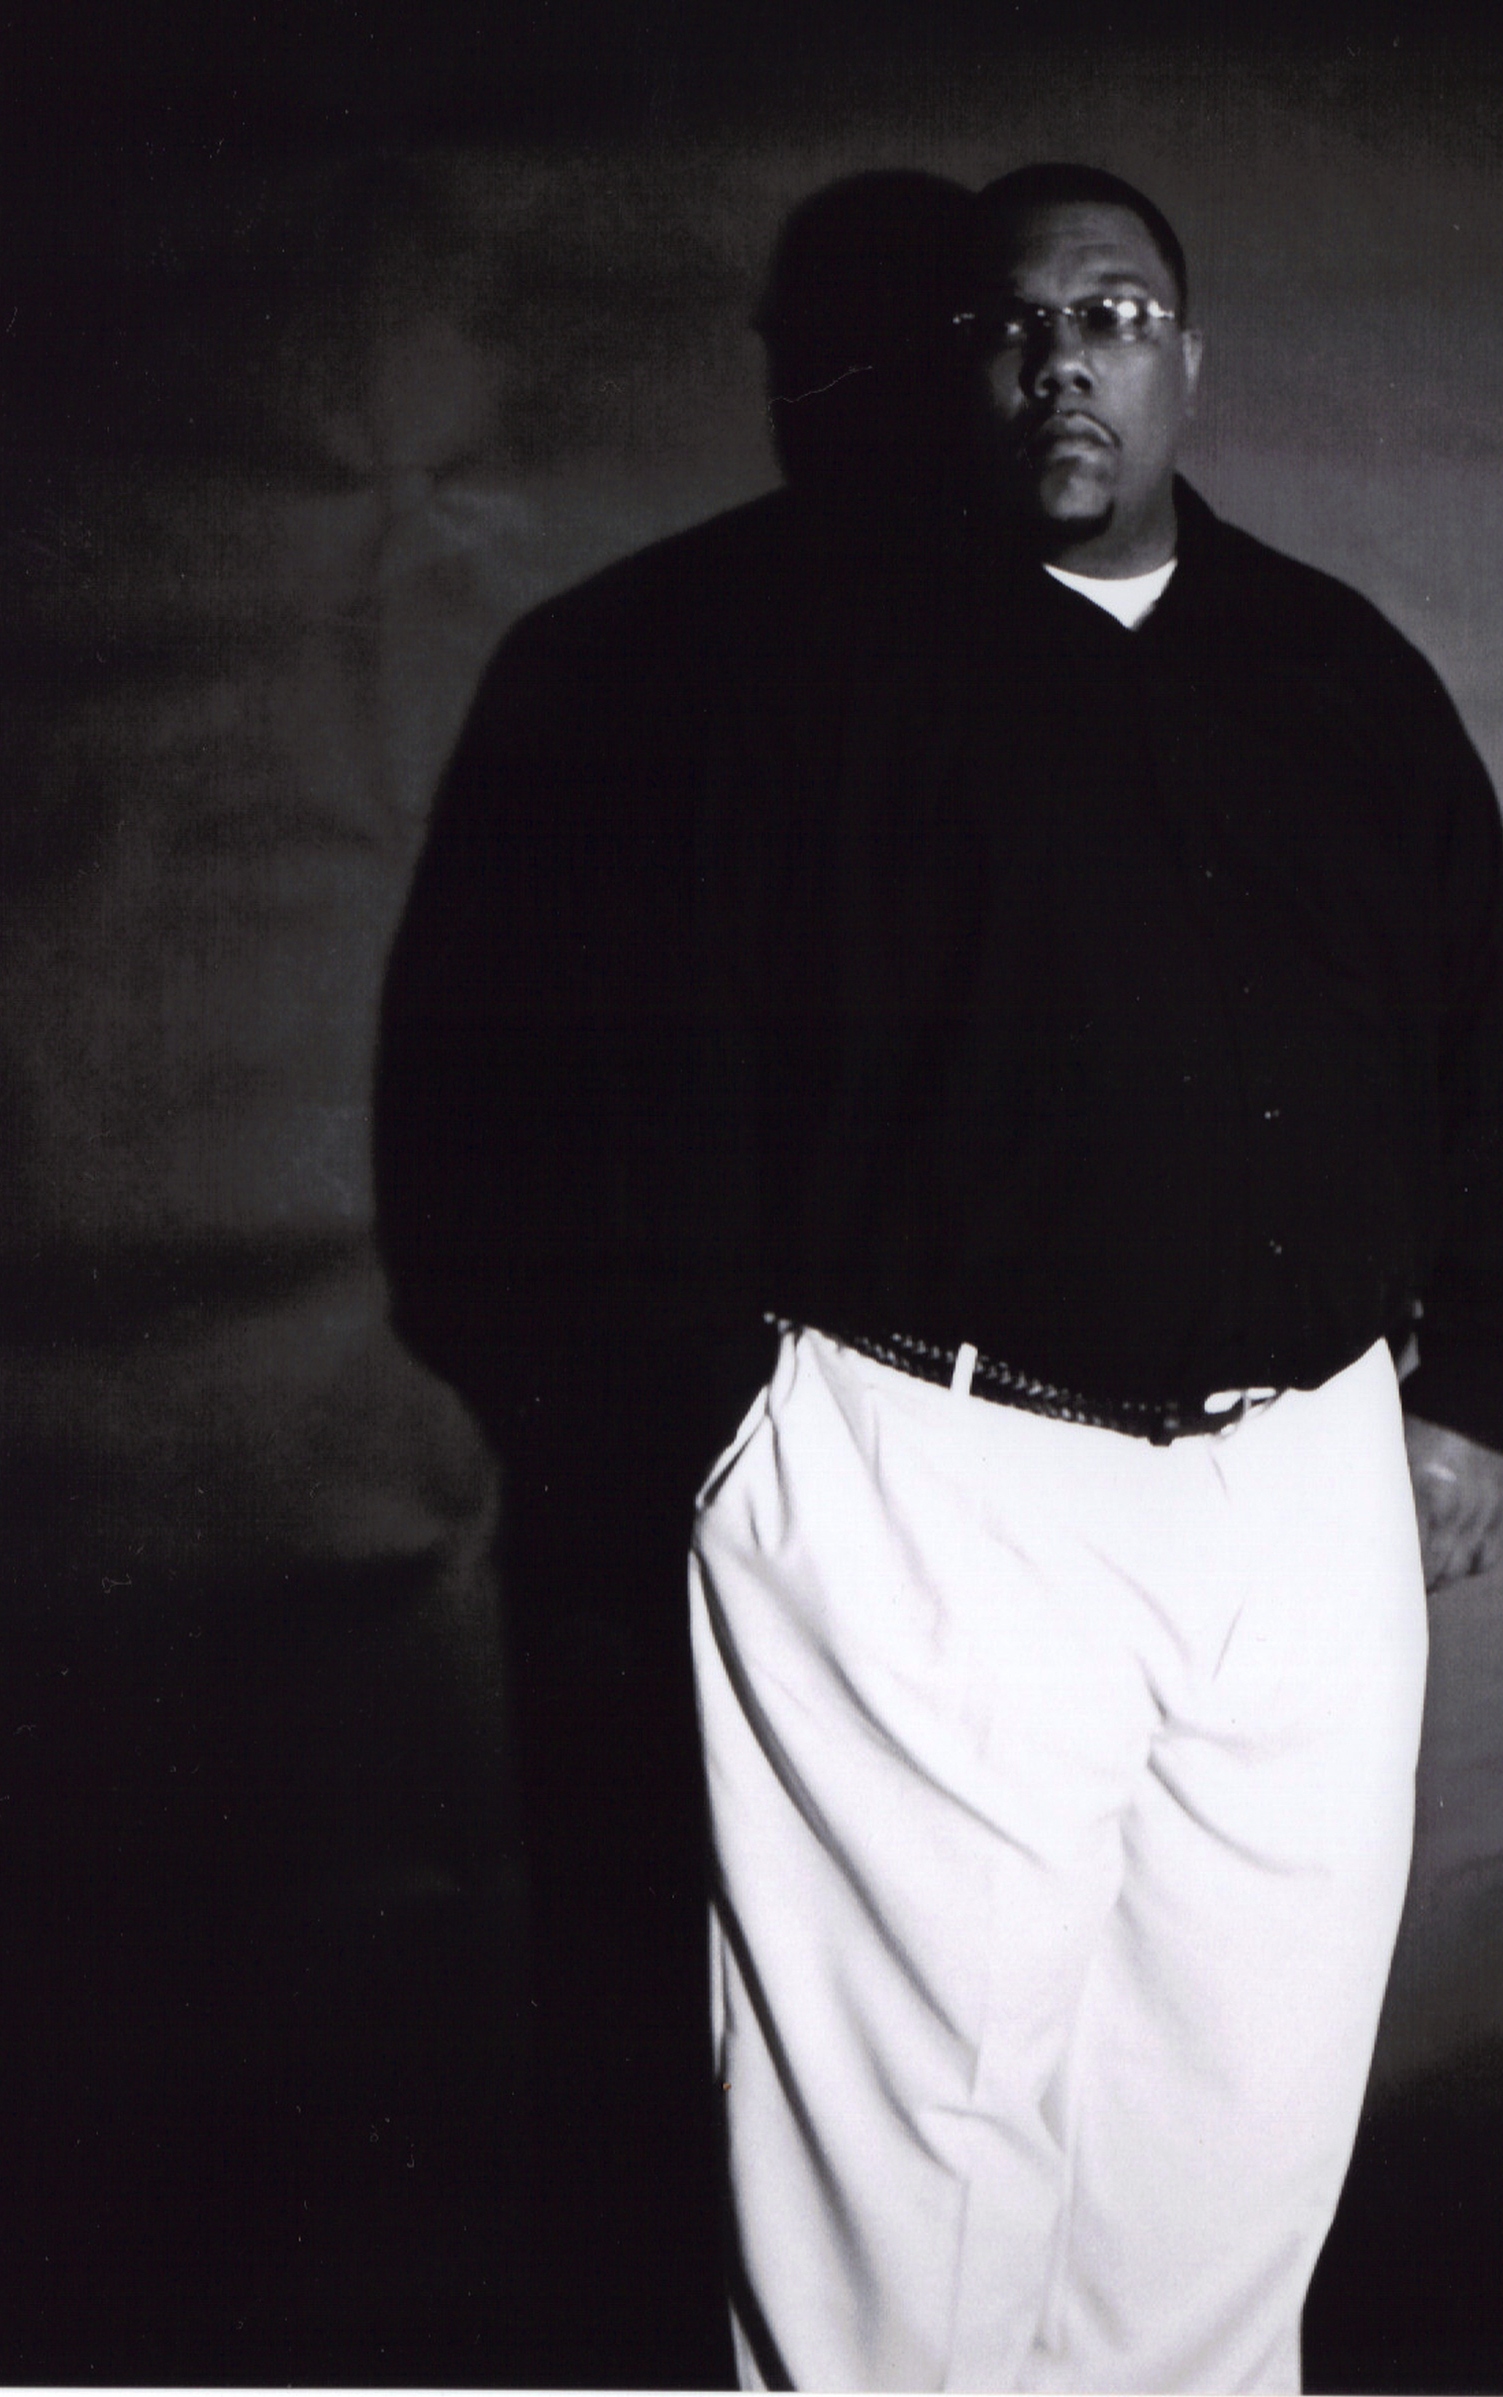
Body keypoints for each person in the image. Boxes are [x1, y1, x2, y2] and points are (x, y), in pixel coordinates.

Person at [377, 161, 1503, 2390]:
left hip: (1301, 1493)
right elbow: (563, 1085)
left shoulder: (1332, 667)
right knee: (908, 2190)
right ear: (945, 367)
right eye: (1014, 323)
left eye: (1114, 312)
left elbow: (1482, 1030)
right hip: (934, 1478)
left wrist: (1468, 1380)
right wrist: (743, 1434)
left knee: (1234, 2149)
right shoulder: (759, 660)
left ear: (1187, 360)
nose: (1064, 359)